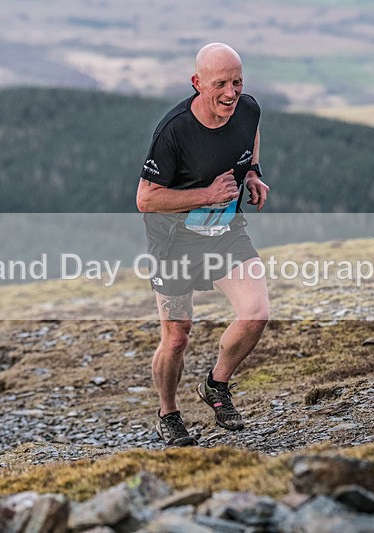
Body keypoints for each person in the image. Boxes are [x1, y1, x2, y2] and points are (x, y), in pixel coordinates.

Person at [136, 43, 271, 446]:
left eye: (237, 83)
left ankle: (216, 384)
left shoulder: (247, 108)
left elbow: (250, 135)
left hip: (225, 231)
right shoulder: (174, 131)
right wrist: (208, 194)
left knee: (256, 313)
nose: (231, 93)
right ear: (197, 84)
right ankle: (169, 413)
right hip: (173, 239)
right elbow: (146, 198)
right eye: (220, 85)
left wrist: (252, 174)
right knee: (177, 336)